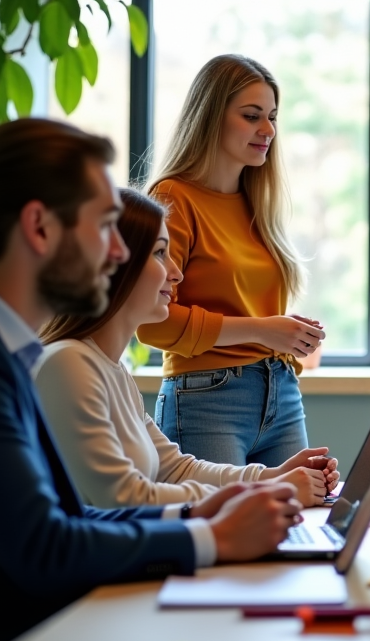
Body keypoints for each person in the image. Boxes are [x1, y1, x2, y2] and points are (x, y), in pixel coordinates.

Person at [0, 119, 303, 641]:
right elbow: (46, 549)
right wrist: (213, 538)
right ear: (40, 228)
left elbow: (64, 520)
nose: (118, 253)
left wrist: (192, 514)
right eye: (106, 225)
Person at [35, 188, 340, 509]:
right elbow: (124, 497)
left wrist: (273, 477)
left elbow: (176, 469)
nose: (176, 273)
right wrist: (264, 492)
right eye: (159, 253)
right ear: (111, 262)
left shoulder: (112, 371)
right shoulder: (68, 363)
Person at [136, 54, 321, 467]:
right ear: (210, 117)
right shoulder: (173, 198)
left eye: (273, 117)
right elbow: (150, 322)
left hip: (281, 391)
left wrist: (287, 335)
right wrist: (264, 330)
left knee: (298, 524)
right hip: (207, 397)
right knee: (226, 528)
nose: (268, 130)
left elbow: (249, 311)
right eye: (252, 115)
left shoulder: (257, 203)